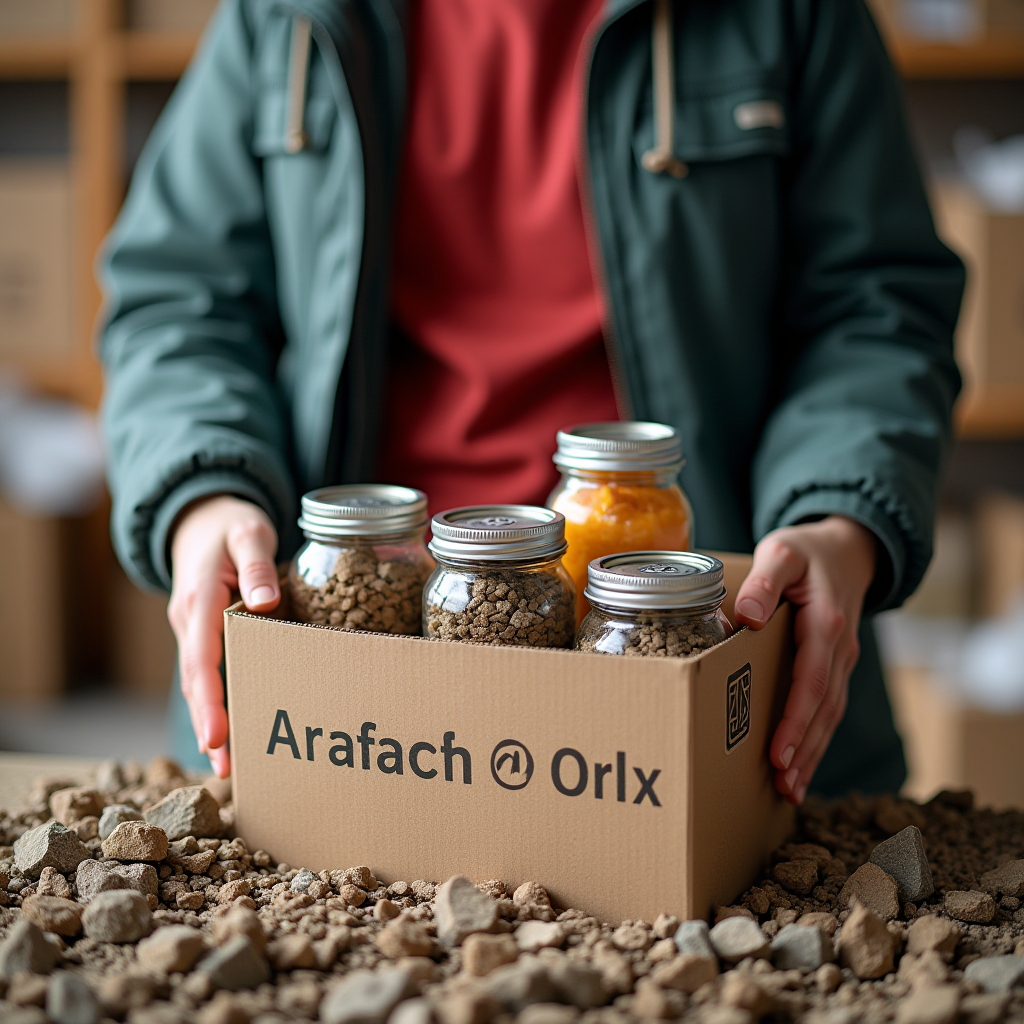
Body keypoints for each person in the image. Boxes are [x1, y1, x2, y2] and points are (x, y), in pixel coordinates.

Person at [99, 0, 964, 799]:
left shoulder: (792, 14)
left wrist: (841, 519)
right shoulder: (280, 13)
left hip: (720, 680)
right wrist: (204, 493)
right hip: (337, 684)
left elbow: (877, 308)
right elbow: (175, 300)